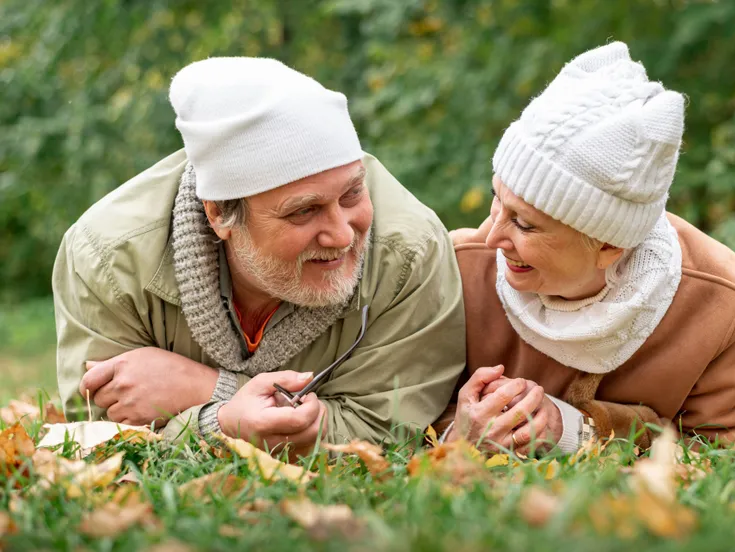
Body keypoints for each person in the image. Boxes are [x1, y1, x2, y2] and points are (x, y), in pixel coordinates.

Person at [53, 57, 466, 456]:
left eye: (352, 193)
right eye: (304, 210)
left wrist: (212, 397)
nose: (342, 234)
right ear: (219, 214)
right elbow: (96, 434)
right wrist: (232, 419)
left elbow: (384, 432)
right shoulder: (108, 258)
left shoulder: (410, 252)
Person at [442, 42, 735, 453]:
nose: (492, 237)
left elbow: (717, 453)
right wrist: (459, 432)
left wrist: (577, 431)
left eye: (525, 224)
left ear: (611, 245)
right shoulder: (455, 271)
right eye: (497, 200)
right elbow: (394, 413)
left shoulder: (725, 304)